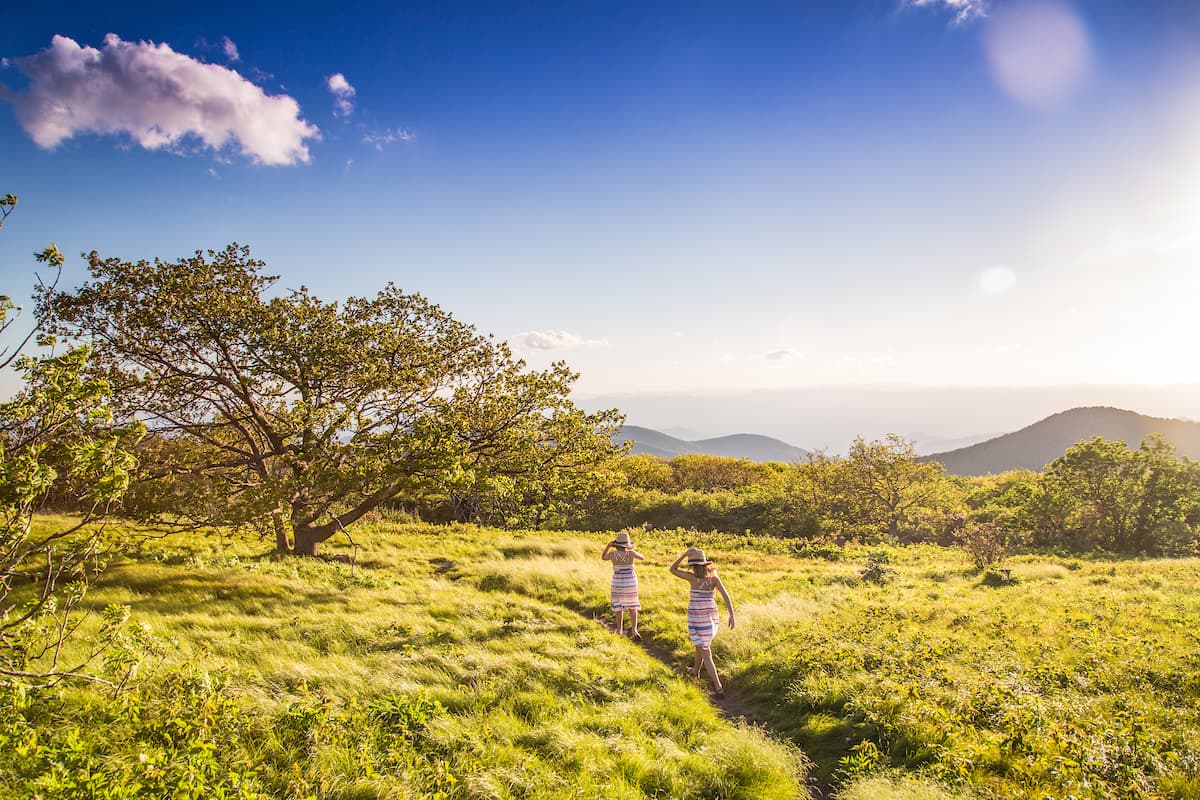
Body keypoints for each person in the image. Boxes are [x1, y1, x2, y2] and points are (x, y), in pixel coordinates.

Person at [669, 547, 735, 696]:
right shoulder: (714, 578)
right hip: (710, 616)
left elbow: (672, 569)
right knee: (700, 644)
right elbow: (726, 596)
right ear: (705, 564)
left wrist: (684, 554)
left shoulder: (692, 578)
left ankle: (718, 687)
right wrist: (732, 615)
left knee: (705, 650)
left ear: (693, 566)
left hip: (697, 616)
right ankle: (695, 671)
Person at [601, 530, 645, 639]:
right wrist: (632, 550)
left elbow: (603, 557)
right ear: (627, 544)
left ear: (616, 545)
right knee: (633, 606)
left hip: (618, 581)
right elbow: (642, 557)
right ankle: (634, 630)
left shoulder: (612, 555)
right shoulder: (631, 553)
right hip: (630, 581)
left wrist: (608, 546)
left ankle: (619, 630)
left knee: (619, 607)